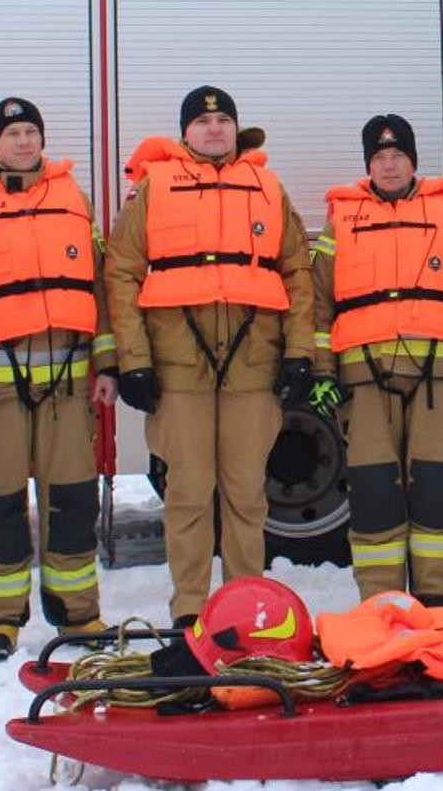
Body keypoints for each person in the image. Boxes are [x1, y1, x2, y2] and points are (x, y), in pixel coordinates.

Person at [104, 87, 316, 626]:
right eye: (203, 122)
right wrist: (134, 360)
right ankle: (190, 611)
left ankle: (248, 608)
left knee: (247, 494)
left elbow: (297, 272)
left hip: (253, 363)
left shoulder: (268, 188)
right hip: (179, 367)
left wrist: (299, 353)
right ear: (185, 134)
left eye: (224, 120)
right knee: (189, 493)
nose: (215, 129)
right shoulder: (153, 191)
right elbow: (122, 274)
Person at [0, 97, 117, 661]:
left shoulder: (72, 199)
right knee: (0, 502)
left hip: (65, 384)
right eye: (13, 133)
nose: (25, 142)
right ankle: (3, 620)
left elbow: (98, 285)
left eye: (32, 131)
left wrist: (104, 364)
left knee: (73, 502)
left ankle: (79, 617)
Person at [307, 115, 443, 605]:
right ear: (368, 165)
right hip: (363, 380)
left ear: (413, 161)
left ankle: (435, 602)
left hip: (437, 375)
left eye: (399, 156)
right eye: (380, 158)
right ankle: (381, 603)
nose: (390, 165)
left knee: (435, 487)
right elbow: (319, 305)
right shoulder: (341, 220)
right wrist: (321, 372)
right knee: (373, 491)